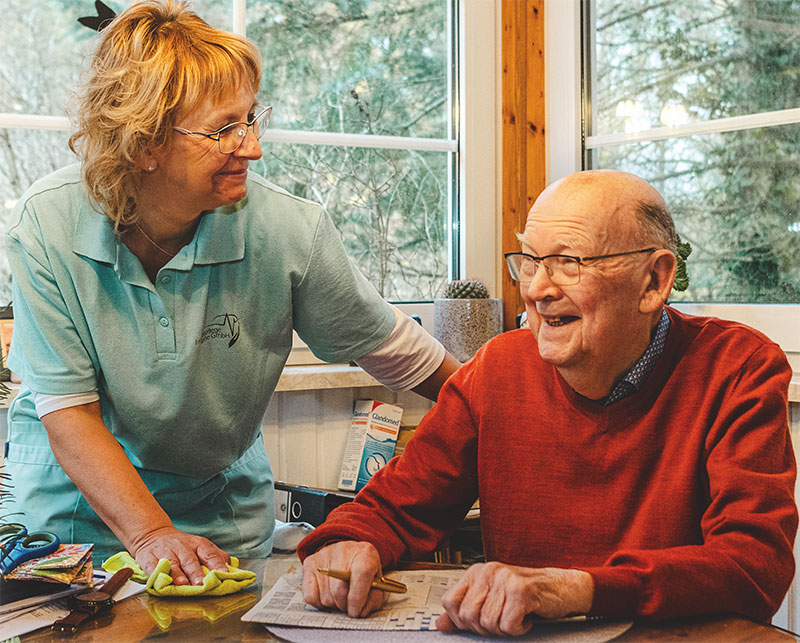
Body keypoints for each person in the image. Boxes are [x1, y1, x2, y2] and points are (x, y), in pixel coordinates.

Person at [4, 0, 459, 586]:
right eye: (224, 129)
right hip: (81, 522)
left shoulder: (286, 229)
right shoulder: (48, 225)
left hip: (222, 515)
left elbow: (392, 347)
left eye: (251, 118)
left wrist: (501, 410)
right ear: (146, 145)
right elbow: (69, 413)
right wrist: (148, 535)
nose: (253, 147)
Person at [299, 169, 797, 636]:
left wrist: (580, 588)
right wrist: (342, 544)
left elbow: (753, 567)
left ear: (654, 282)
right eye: (531, 262)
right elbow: (392, 508)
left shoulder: (738, 368)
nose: (536, 290)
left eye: (569, 262)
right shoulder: (498, 368)